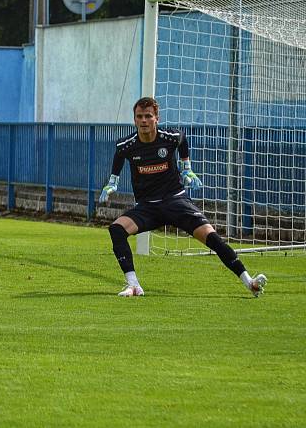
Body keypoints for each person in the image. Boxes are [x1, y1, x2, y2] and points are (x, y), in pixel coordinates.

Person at [99, 96, 266, 298]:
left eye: (148, 116)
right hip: (147, 207)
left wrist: (187, 168)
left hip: (176, 201)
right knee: (116, 229)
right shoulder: (126, 145)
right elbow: (118, 161)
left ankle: (250, 282)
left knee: (211, 236)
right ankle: (133, 285)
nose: (144, 121)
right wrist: (112, 182)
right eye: (139, 116)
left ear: (156, 118)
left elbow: (182, 140)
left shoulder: (170, 137)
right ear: (135, 119)